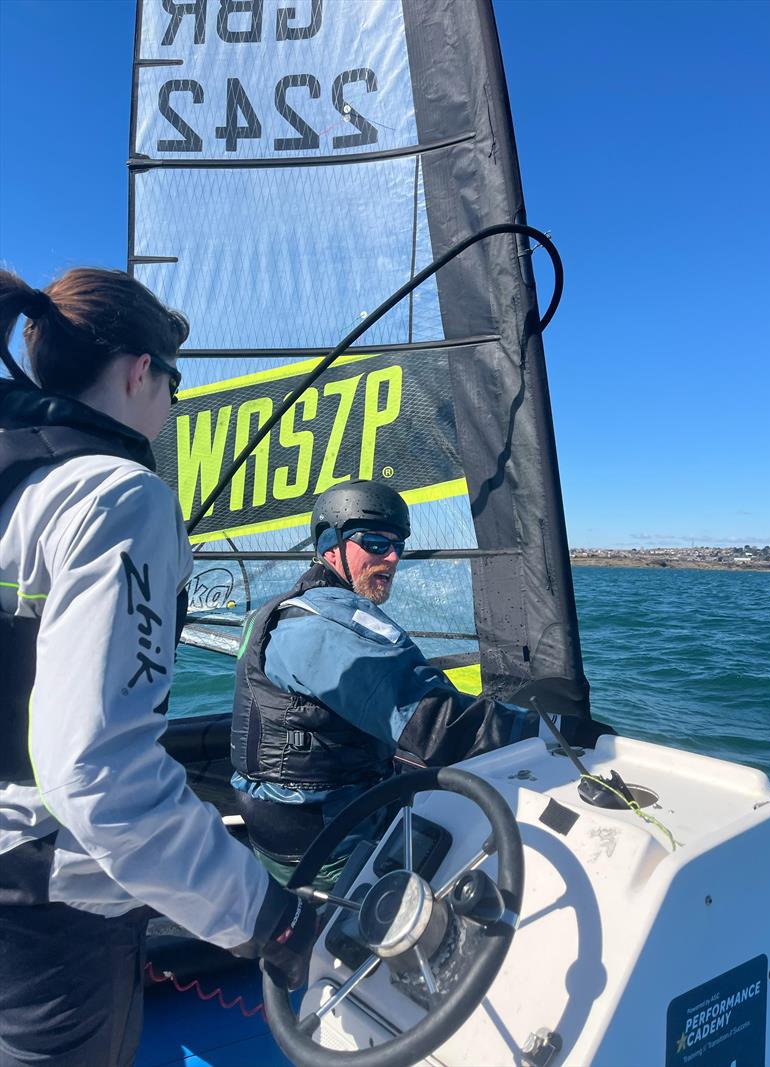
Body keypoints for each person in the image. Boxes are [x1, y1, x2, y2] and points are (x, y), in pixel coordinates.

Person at [0, 268, 315, 1067]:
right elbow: (96, 772)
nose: (173, 404)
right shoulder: (120, 496)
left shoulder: (15, 484)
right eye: (175, 383)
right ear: (142, 370)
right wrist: (268, 918)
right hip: (50, 927)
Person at [231, 479, 607, 890]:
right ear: (330, 546)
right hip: (329, 845)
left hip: (278, 832)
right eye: (374, 543)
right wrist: (560, 732)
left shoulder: (276, 611)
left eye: (398, 545)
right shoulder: (328, 626)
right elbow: (435, 725)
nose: (391, 558)